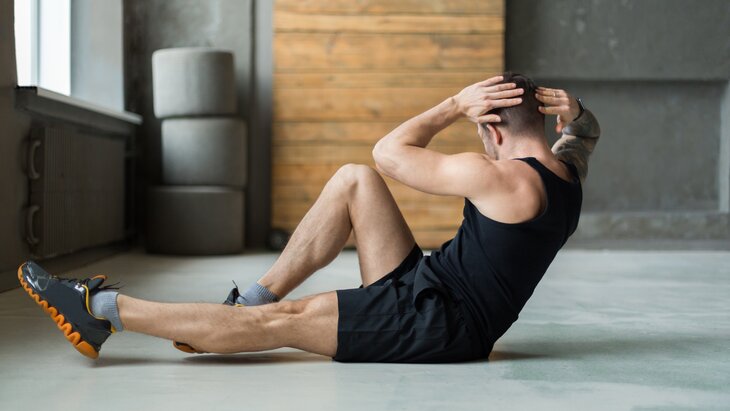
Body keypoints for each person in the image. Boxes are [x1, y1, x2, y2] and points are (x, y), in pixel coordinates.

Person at [18, 73, 600, 362]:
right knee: (354, 181)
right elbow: (583, 135)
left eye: (480, 131)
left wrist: (452, 105)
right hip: (431, 287)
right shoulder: (567, 173)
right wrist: (577, 115)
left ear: (493, 128)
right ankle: (249, 302)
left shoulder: (497, 177)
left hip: (439, 327)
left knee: (288, 322)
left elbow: (390, 151)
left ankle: (100, 311)